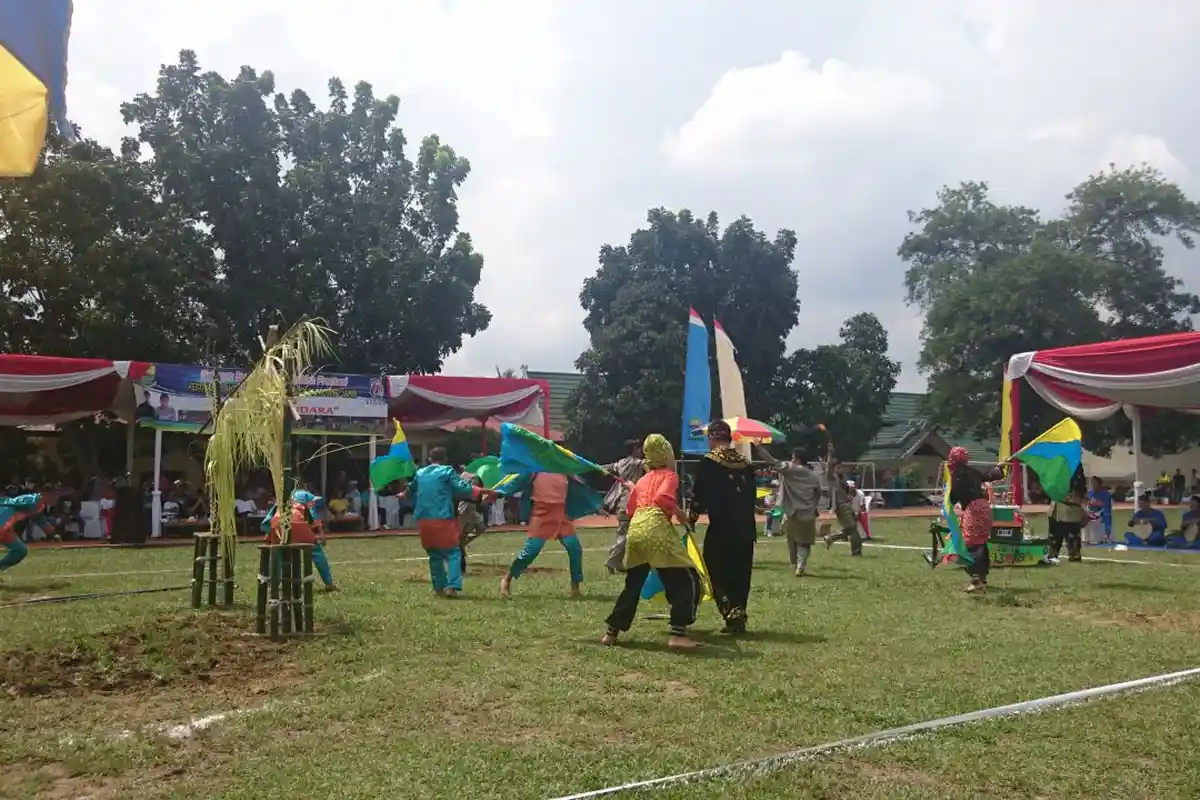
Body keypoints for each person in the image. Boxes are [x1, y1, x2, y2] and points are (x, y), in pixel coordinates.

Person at [602, 434, 702, 649]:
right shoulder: (670, 475)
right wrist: (679, 513)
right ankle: (678, 634)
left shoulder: (643, 479)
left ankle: (612, 632)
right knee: (687, 579)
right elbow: (662, 499)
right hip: (656, 529)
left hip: (636, 529)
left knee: (633, 584)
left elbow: (630, 508)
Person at [689, 419, 757, 634]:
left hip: (722, 527)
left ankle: (729, 610)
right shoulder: (745, 462)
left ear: (712, 438)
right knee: (740, 572)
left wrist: (691, 517)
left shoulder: (709, 461)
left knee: (714, 568)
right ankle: (739, 612)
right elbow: (752, 495)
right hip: (746, 527)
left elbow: (699, 495)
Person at [408, 448, 488, 598]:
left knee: (434, 555)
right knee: (453, 552)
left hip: (424, 520)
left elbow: (409, 490)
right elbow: (463, 488)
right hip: (442, 518)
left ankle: (439, 588)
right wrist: (482, 491)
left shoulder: (419, 473)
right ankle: (451, 587)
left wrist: (401, 493)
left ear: (430, 459)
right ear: (445, 459)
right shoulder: (447, 471)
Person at [500, 473, 587, 599]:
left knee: (575, 549)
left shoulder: (565, 469)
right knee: (531, 551)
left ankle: (575, 588)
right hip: (541, 514)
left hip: (561, 514)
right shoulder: (534, 470)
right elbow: (512, 485)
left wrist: (596, 505)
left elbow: (582, 489)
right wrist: (494, 493)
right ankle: (507, 579)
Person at [754, 443, 822, 577]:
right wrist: (812, 505)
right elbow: (817, 493)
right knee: (805, 542)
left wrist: (758, 446)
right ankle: (800, 566)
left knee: (791, 540)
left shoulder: (790, 468)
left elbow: (771, 460)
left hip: (791, 512)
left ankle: (795, 564)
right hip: (807, 512)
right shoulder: (813, 476)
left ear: (796, 458)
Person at [946, 446, 1004, 593]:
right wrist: (998, 468)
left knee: (971, 544)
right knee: (981, 543)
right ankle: (982, 578)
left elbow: (954, 496)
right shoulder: (973, 471)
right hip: (984, 507)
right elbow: (990, 476)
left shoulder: (957, 475)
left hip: (974, 509)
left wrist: (948, 504)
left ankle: (976, 578)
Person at [261, 489, 339, 592]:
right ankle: (329, 583)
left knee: (278, 552)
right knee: (316, 551)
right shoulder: (308, 498)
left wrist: (269, 535)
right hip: (295, 521)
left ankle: (273, 584)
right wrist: (321, 534)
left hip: (277, 523)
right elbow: (313, 515)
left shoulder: (283, 497)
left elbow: (269, 518)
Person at [600, 439, 646, 574]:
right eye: (639, 448)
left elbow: (606, 467)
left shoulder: (620, 463)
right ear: (634, 450)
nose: (641, 451)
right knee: (625, 535)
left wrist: (594, 466)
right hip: (630, 503)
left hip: (622, 503)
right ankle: (612, 560)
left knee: (626, 534)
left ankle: (618, 562)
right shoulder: (637, 463)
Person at [821, 438, 863, 556]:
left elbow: (850, 493)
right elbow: (829, 465)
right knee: (852, 528)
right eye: (838, 467)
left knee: (852, 528)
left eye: (841, 467)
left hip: (847, 504)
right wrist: (830, 453)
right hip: (840, 505)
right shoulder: (831, 477)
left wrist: (851, 493)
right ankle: (833, 539)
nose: (841, 469)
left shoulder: (842, 479)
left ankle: (854, 549)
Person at [0, 491, 57, 573]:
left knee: (20, 551)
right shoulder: (31, 500)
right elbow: (10, 502)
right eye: (53, 494)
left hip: (5, 529)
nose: (55, 498)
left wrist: (54, 533)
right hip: (2, 522)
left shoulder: (39, 507)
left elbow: (42, 522)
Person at [1047, 470, 1087, 562]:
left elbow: (1080, 492)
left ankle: (1074, 553)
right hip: (1056, 510)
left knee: (1072, 536)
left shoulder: (1075, 470)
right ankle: (1053, 553)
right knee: (1054, 537)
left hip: (1070, 511)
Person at [457, 471, 486, 574]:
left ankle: (463, 544)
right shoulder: (465, 489)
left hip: (472, 513)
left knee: (481, 528)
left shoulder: (478, 491)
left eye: (477, 481)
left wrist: (486, 498)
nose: (475, 482)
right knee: (459, 537)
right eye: (474, 480)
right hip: (463, 512)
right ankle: (460, 565)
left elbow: (479, 504)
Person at [1086, 476, 1114, 544]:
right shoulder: (1089, 493)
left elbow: (1107, 512)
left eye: (1094, 483)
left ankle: (1105, 536)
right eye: (1091, 483)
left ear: (1099, 484)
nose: (1092, 485)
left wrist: (1108, 530)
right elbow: (1086, 505)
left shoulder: (1105, 494)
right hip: (1091, 515)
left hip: (1101, 517)